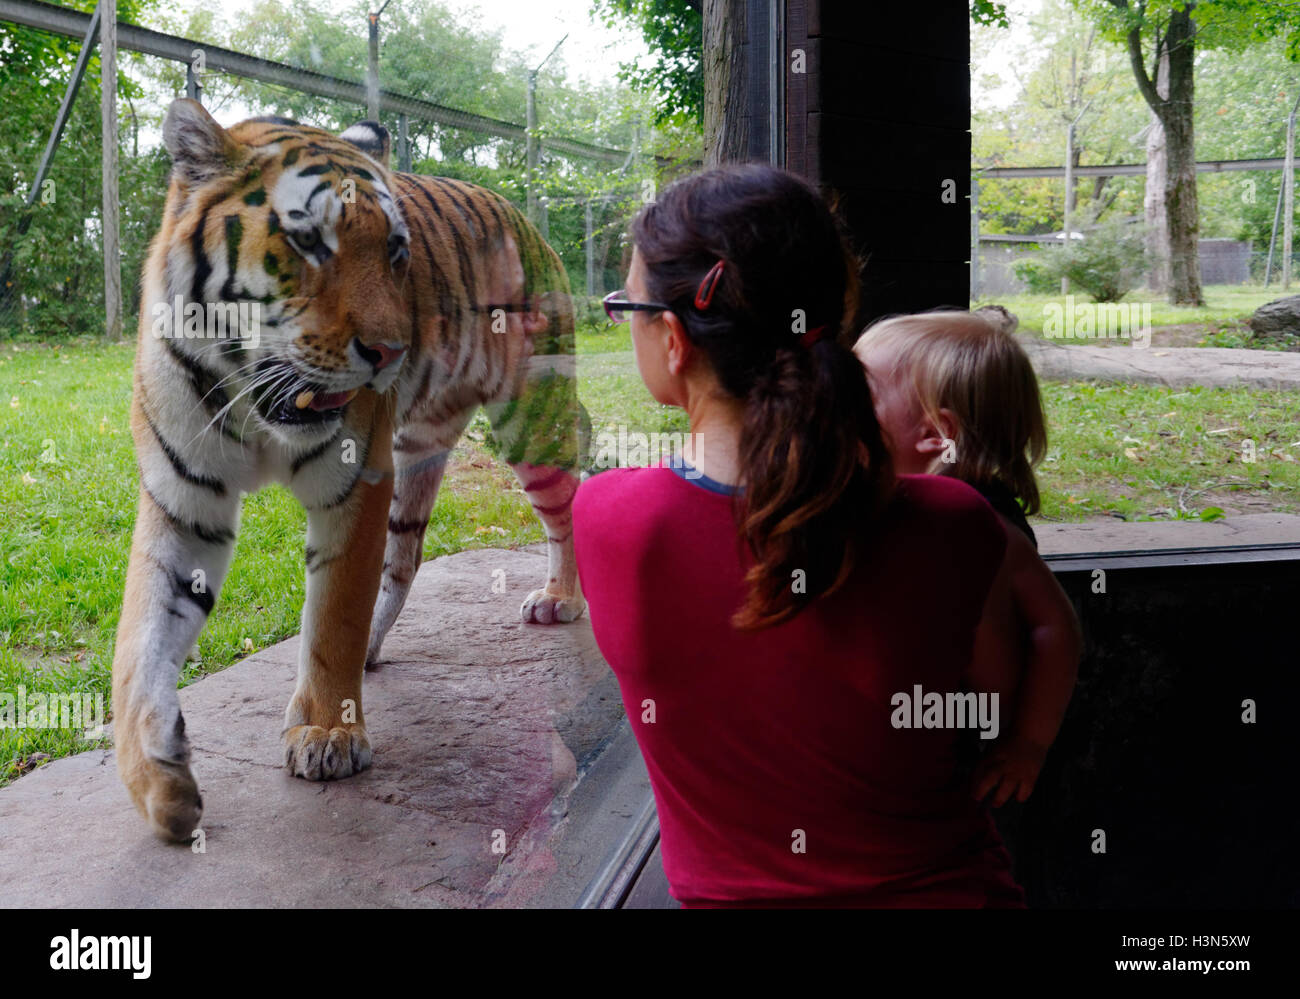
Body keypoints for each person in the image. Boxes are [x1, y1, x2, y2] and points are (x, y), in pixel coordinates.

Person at [572, 163, 1028, 908]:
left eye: (628, 306)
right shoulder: (959, 524)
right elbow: (991, 701)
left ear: (675, 339)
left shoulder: (612, 519)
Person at [853, 311, 1081, 807]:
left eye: (858, 393)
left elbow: (1056, 628)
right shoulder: (889, 499)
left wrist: (1028, 744)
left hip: (980, 757)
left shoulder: (985, 527)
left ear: (936, 432)